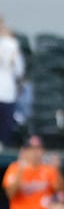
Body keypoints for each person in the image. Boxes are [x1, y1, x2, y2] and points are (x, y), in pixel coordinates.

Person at [0, 17, 24, 147]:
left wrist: (13, 59)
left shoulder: (11, 44)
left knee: (5, 130)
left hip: (7, 94)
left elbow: (19, 71)